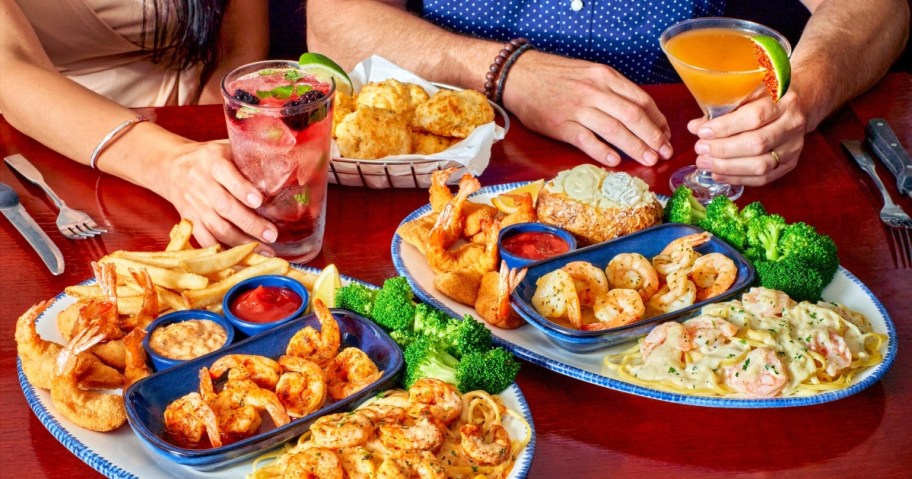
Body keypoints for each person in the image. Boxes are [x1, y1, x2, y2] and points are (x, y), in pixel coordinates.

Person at [306, 0, 909, 187]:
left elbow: (878, 7)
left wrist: (799, 96)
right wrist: (507, 72)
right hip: (449, 173)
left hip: (679, 162)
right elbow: (332, 19)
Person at [0, 0, 278, 251]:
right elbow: (9, 67)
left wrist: (216, 153)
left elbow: (236, 52)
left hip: (199, 135)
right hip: (56, 152)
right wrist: (170, 163)